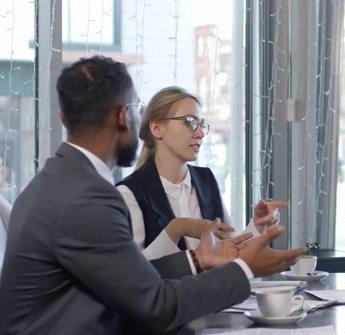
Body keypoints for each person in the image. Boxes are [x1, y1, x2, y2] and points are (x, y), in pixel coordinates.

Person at [0, 55, 306, 335]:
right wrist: (243, 269)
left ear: (64, 119)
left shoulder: (57, 182)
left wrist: (197, 259)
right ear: (124, 116)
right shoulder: (88, 197)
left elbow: (129, 277)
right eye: (138, 109)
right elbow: (156, 305)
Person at [116, 86, 284, 260]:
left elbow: (230, 247)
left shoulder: (206, 180)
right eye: (189, 122)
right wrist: (175, 229)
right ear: (156, 128)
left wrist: (257, 225)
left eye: (202, 124)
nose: (200, 133)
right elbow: (135, 271)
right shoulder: (129, 193)